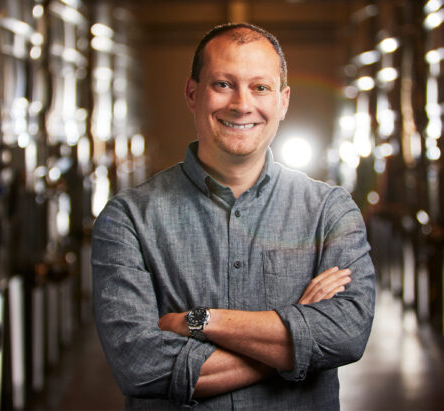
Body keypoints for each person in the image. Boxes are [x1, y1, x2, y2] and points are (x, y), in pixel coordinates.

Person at [92, 22, 375, 410]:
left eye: (260, 87)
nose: (242, 104)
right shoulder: (129, 219)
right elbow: (140, 366)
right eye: (223, 84)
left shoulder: (330, 210)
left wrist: (201, 320)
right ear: (193, 94)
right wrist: (299, 337)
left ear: (283, 101)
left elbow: (347, 334)